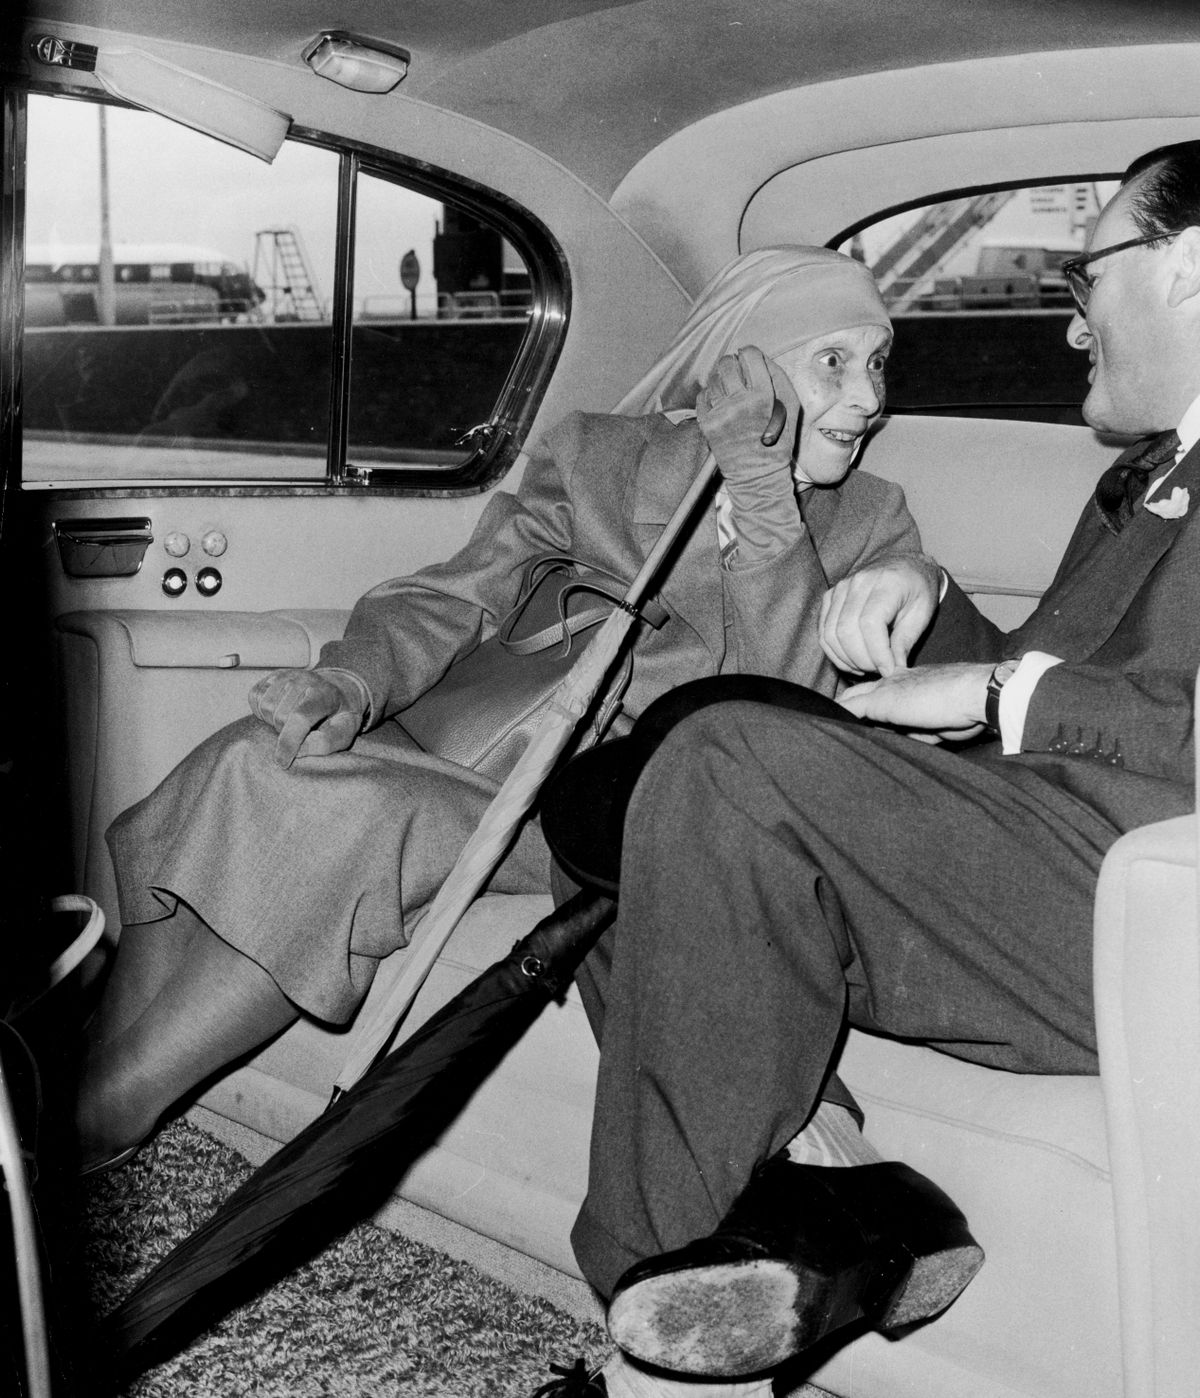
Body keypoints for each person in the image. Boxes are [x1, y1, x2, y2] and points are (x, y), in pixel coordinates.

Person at [552, 143, 1200, 1398]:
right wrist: (935, 603)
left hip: (1150, 904)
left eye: (1088, 278)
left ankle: (648, 1351)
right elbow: (1048, 693)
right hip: (1051, 861)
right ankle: (846, 1196)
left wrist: (1006, 691)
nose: (1074, 328)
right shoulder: (1148, 481)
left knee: (725, 761)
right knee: (618, 805)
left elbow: (1050, 709)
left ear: (1187, 267)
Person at [75, 245, 930, 1172]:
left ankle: (108, 1113)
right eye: (833, 361)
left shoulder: (873, 524)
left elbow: (774, 717)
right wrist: (351, 682)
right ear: (741, 365)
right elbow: (458, 594)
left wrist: (763, 498)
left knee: (368, 814)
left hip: (599, 816)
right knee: (252, 755)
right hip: (476, 747)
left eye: (877, 362)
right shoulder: (603, 454)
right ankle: (90, 1074)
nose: (869, 399)